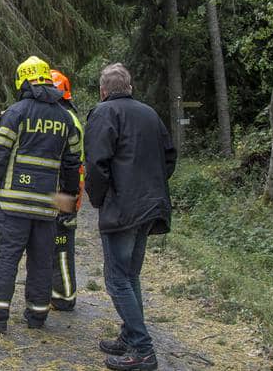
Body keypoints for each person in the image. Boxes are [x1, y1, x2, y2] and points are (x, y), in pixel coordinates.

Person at [0, 56, 83, 332]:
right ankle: (37, 316)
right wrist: (67, 202)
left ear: (23, 81)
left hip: (13, 205)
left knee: (6, 257)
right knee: (42, 260)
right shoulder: (65, 117)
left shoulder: (16, 112)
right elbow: (72, 165)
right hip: (47, 207)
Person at [84, 63, 177, 371]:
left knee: (116, 279)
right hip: (150, 206)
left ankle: (142, 348)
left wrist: (99, 199)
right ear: (130, 88)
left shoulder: (104, 114)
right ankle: (129, 335)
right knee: (130, 275)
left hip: (123, 208)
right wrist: (153, 186)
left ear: (103, 90)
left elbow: (96, 164)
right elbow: (169, 156)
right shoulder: (150, 114)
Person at [48, 68, 84, 311]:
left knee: (61, 244)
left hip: (64, 193)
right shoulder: (68, 116)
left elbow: (70, 165)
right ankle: (57, 292)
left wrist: (66, 204)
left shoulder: (67, 120)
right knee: (56, 243)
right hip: (65, 191)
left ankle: (64, 297)